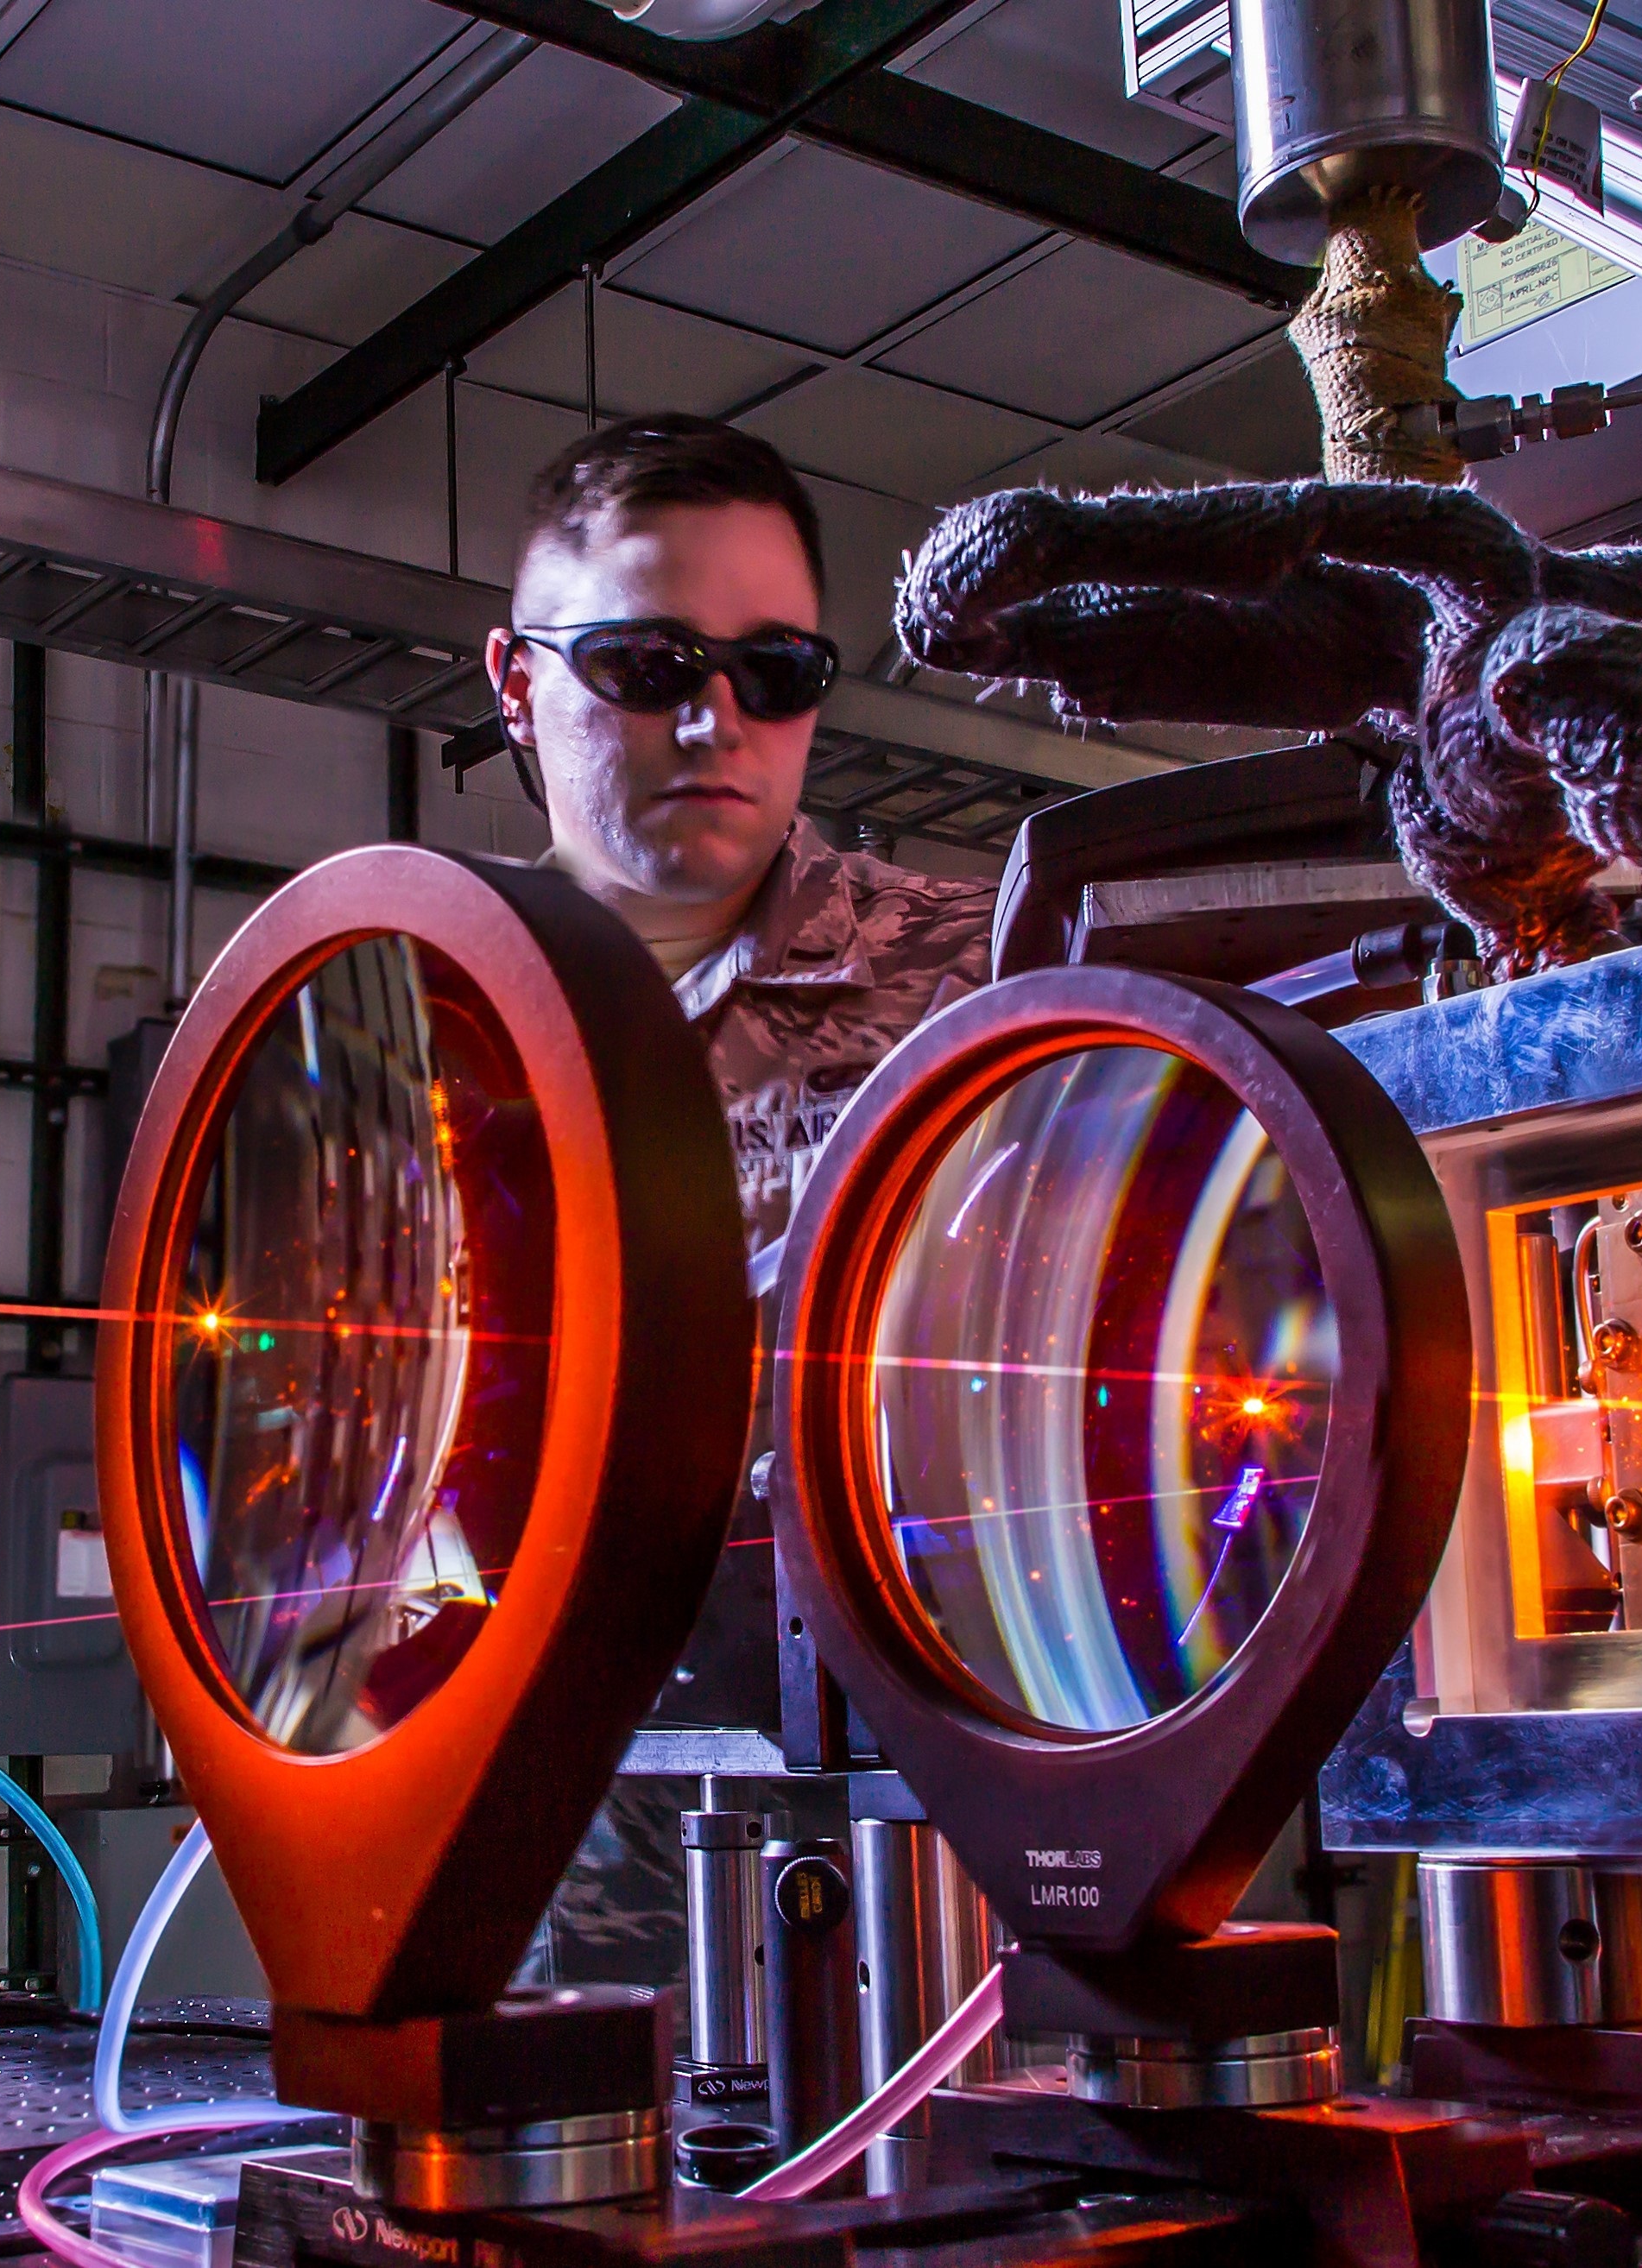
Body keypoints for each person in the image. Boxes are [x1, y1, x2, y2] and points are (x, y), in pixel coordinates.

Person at [483, 414, 994, 1981]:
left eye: (774, 671)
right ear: (517, 680)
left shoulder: (989, 966)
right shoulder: (436, 1016)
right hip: (549, 1791)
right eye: (648, 664)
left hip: (934, 1783)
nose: (717, 718)